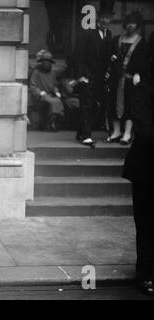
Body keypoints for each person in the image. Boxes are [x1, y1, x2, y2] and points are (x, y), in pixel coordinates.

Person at [122, 30, 154, 296]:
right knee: (147, 225)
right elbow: (145, 131)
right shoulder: (143, 88)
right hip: (147, 168)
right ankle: (145, 274)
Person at [74, 5, 114, 147]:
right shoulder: (88, 32)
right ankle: (86, 135)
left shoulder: (108, 34)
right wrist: (80, 76)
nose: (106, 20)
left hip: (100, 77)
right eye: (103, 17)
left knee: (95, 106)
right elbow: (78, 55)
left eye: (108, 17)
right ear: (98, 17)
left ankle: (81, 132)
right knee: (86, 104)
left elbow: (107, 56)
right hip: (87, 75)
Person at [107, 11, 148, 145]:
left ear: (137, 25)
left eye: (134, 23)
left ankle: (127, 133)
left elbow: (144, 62)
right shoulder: (116, 39)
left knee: (129, 105)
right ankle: (116, 131)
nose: (131, 26)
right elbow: (109, 57)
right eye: (129, 23)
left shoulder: (141, 42)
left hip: (131, 79)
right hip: (115, 78)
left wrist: (138, 73)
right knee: (113, 104)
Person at [29, 49, 65, 132]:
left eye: (49, 61)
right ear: (42, 62)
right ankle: (50, 124)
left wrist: (56, 91)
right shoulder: (36, 72)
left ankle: (52, 122)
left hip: (50, 95)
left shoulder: (52, 73)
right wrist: (40, 92)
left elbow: (54, 85)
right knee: (53, 102)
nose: (47, 63)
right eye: (46, 61)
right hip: (40, 97)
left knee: (57, 100)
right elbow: (33, 86)